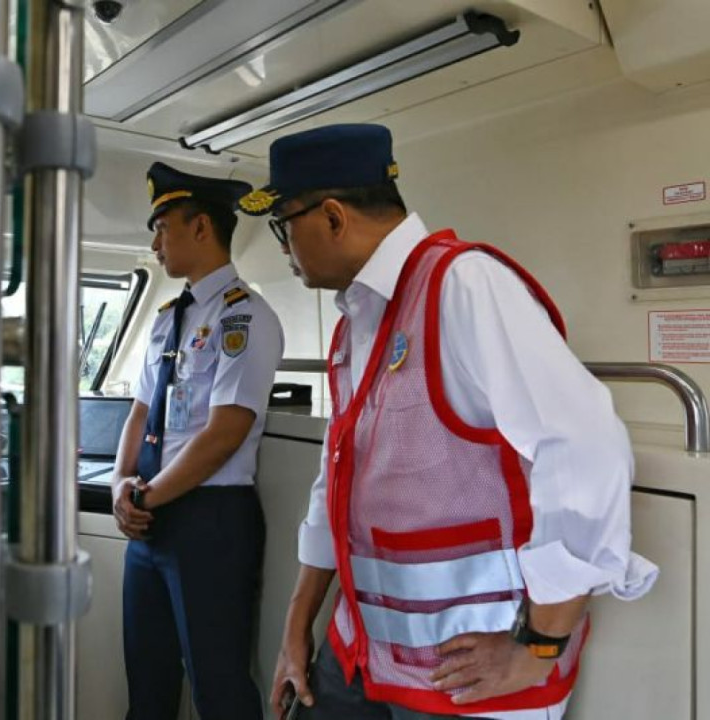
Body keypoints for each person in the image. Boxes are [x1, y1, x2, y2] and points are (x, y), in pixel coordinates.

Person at [239, 124, 659, 720]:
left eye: (284, 225)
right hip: (360, 655)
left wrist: (541, 644)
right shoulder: (356, 322)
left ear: (332, 218)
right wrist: (297, 623)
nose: (283, 246)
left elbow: (589, 448)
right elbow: (337, 477)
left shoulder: (462, 286)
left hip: (467, 679)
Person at [111, 162, 285, 720]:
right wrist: (120, 482)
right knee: (148, 681)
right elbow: (141, 410)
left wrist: (147, 495)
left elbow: (227, 431)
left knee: (219, 686)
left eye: (163, 228)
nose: (156, 244)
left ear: (201, 228)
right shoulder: (166, 319)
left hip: (209, 518)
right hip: (151, 517)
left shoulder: (245, 316)